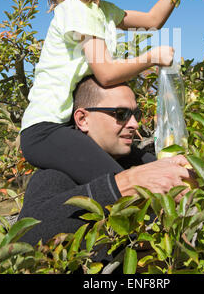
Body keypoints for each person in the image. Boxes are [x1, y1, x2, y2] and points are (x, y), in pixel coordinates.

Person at [20, 0, 196, 183]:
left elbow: (151, 20)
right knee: (123, 182)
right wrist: (151, 58)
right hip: (45, 130)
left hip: (72, 126)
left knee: (147, 162)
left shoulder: (103, 11)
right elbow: (106, 74)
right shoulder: (77, 9)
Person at [18, 76, 193, 251]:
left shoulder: (138, 162)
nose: (134, 124)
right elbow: (25, 238)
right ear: (82, 119)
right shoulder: (56, 175)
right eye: (121, 114)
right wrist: (126, 185)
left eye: (136, 114)